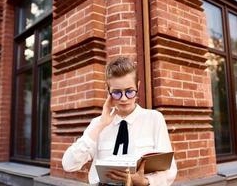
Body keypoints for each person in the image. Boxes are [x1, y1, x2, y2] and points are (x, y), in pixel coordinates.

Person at [62, 56, 177, 185]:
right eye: (116, 93)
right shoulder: (98, 124)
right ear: (108, 90)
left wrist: (145, 181)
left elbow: (170, 171)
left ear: (137, 86)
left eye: (129, 92)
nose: (123, 99)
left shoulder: (154, 119)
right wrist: (101, 125)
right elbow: (68, 164)